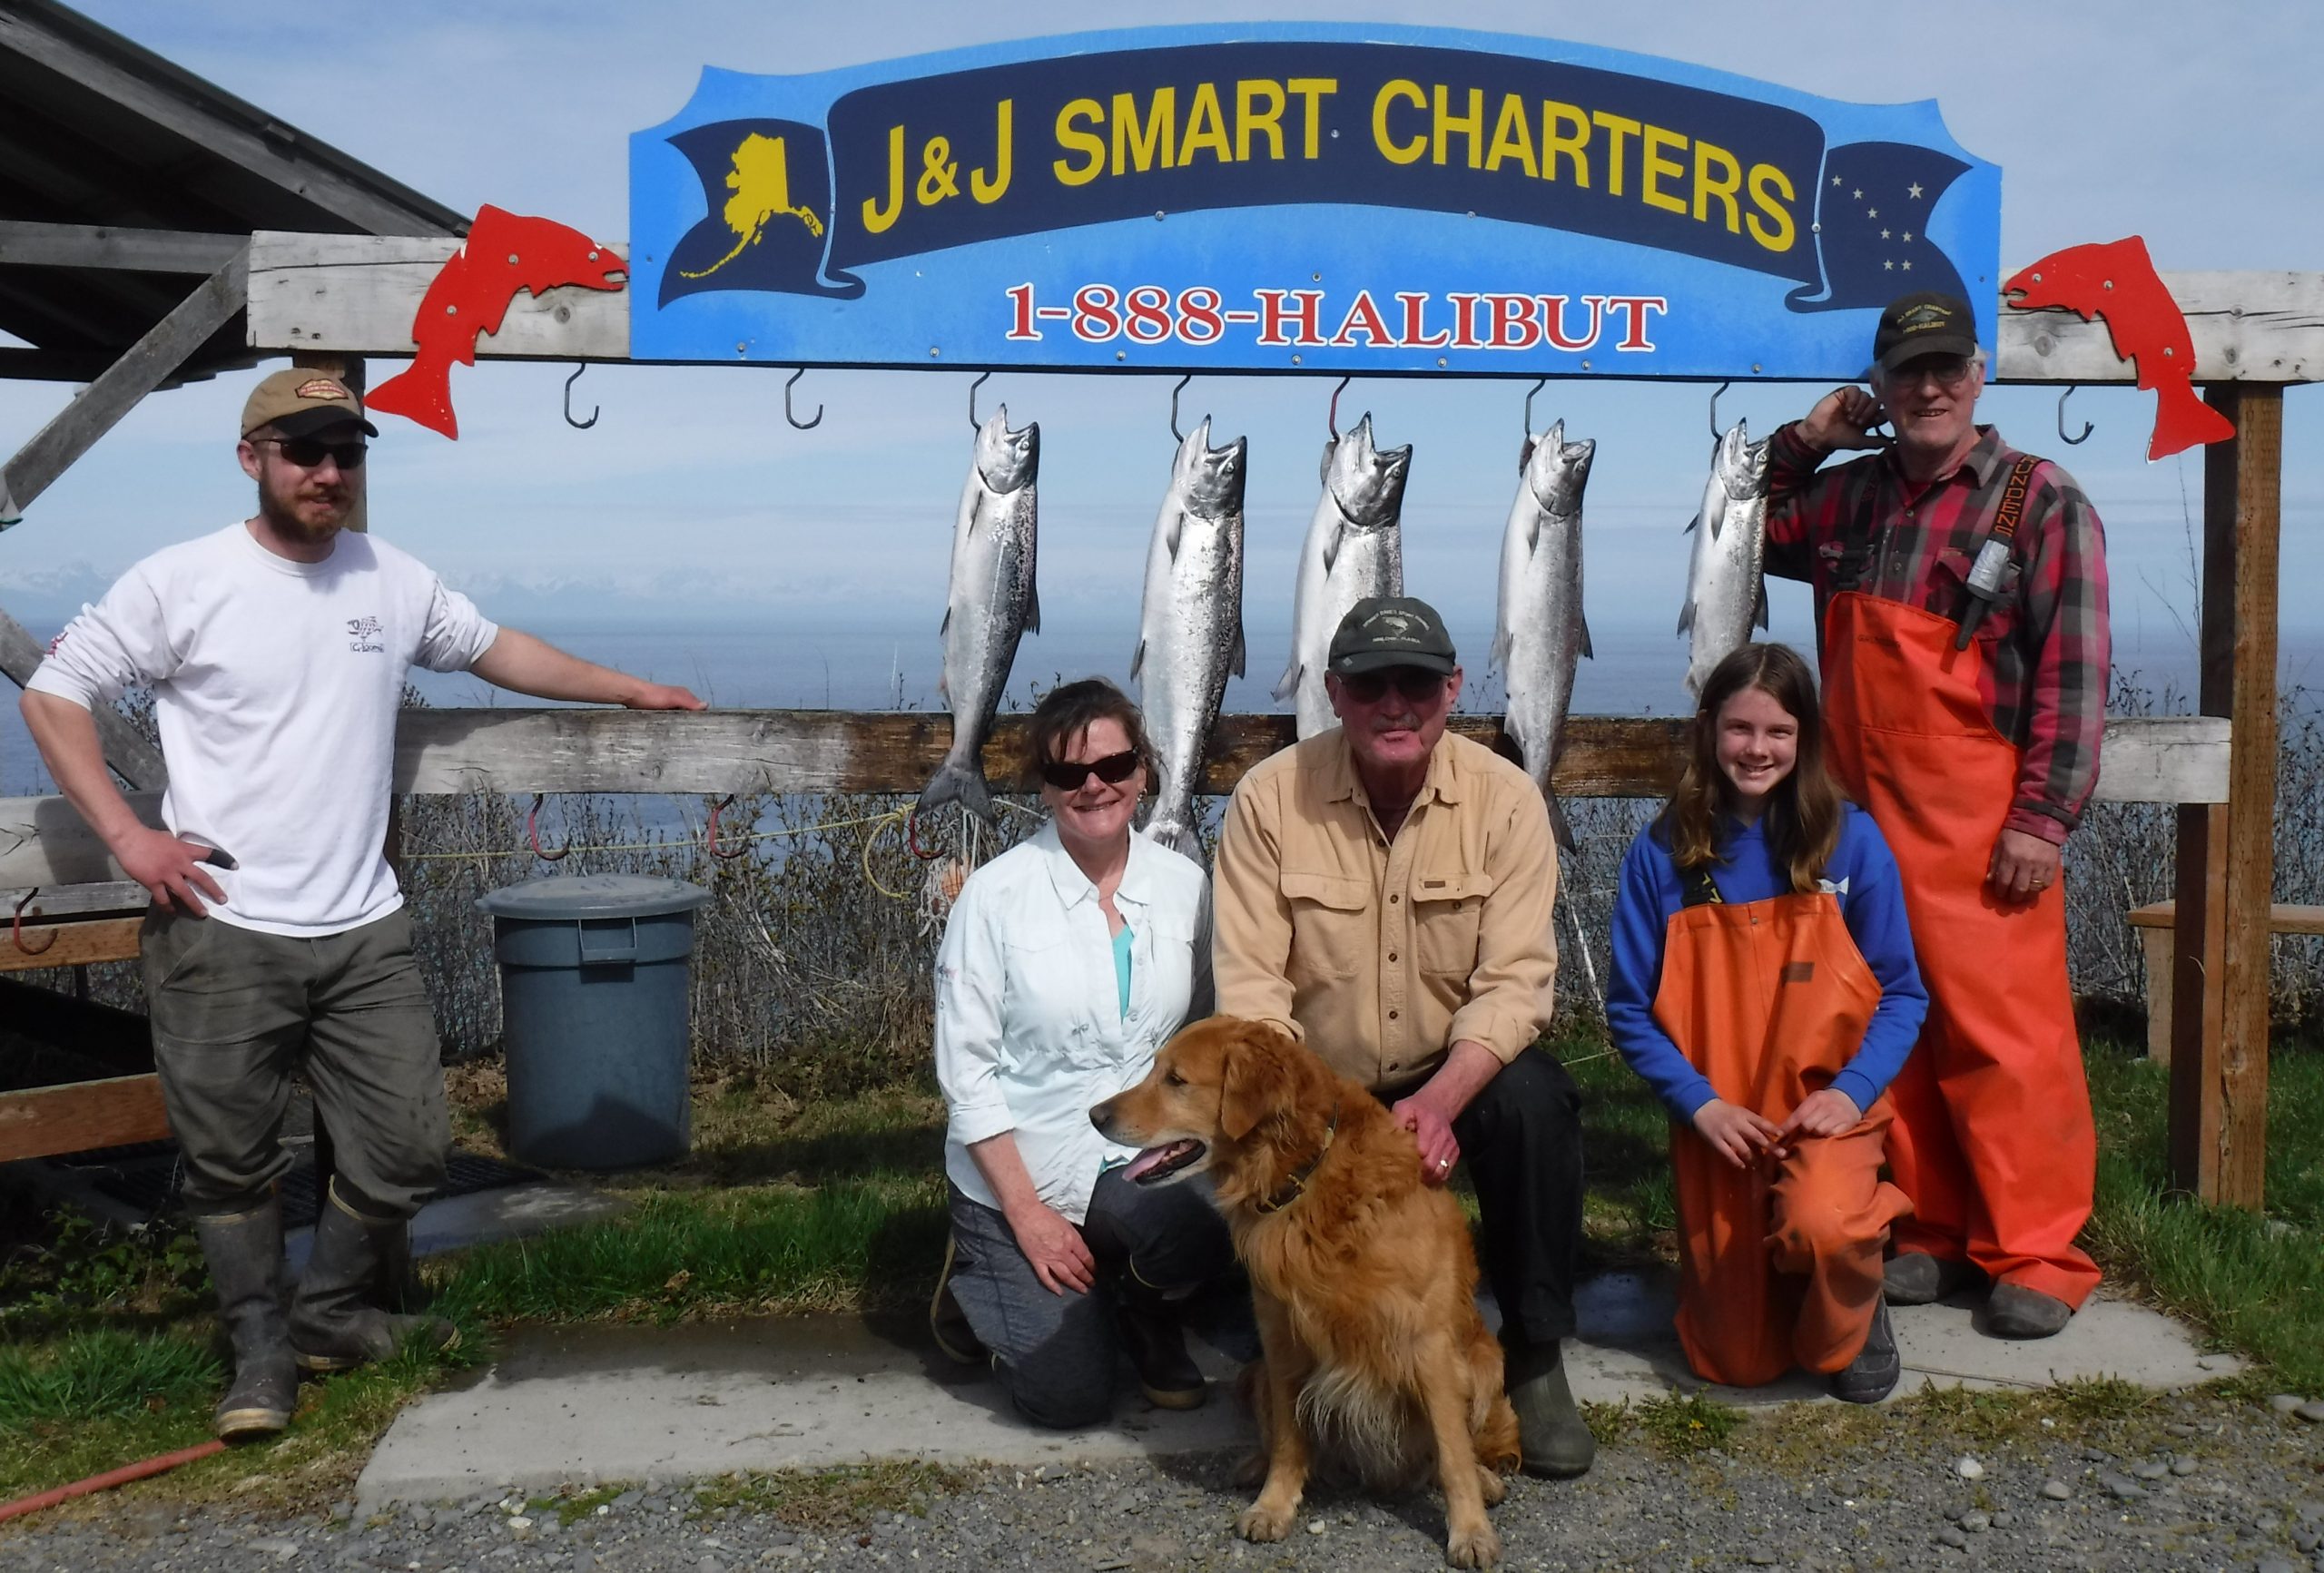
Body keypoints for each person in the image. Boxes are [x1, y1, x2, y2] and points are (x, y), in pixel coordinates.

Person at [20, 369, 705, 1441]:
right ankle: (258, 1346)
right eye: (304, 450)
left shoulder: (389, 577)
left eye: (347, 451)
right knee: (229, 1158)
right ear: (253, 459)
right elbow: (54, 690)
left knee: (409, 1143)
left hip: (363, 923)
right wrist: (128, 836)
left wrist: (623, 686)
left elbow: (494, 648)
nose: (329, 471)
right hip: (221, 923)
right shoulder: (182, 579)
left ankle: (331, 1311)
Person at [1765, 290, 2112, 1340]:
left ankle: (2038, 1248)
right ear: (1877, 384)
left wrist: (2042, 819)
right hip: (1864, 820)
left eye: (1945, 367)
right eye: (1906, 370)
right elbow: (1751, 529)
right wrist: (1801, 441)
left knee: (2007, 1038)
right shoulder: (1845, 499)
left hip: (1982, 823)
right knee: (1893, 1026)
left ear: (1979, 376)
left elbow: (2075, 674)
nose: (1926, 387)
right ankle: (1931, 1229)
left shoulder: (2040, 501)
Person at [1210, 595, 1592, 1477]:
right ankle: (1294, 1353)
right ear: (1334, 692)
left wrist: (1441, 1097)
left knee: (1537, 1102)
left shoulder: (1505, 800)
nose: (1394, 702)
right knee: (1248, 1127)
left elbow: (1514, 984)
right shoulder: (1270, 799)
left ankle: (1533, 1353)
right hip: (1319, 1081)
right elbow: (1254, 989)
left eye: (1415, 682)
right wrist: (1322, 1115)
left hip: (1451, 1065)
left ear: (1452, 688)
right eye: (1370, 683)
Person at [1606, 643, 1928, 1401]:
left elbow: (1903, 993)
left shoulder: (1853, 840)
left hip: (1829, 1113)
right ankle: (1790, 1275)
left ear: (1805, 738)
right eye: (1740, 729)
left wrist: (1851, 1092)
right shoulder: (1661, 854)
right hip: (1724, 1121)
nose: (1758, 749)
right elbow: (1628, 1011)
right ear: (1708, 730)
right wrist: (1700, 1104)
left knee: (1824, 1224)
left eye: (1779, 732)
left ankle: (1855, 1289)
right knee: (1734, 1361)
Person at [930, 677, 1246, 1428]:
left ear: (1143, 771)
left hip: (1133, 1156)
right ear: (1044, 786)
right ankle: (976, 1265)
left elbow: (1202, 1032)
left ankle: (1136, 1302)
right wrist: (1030, 1214)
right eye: (1070, 774)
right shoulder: (994, 898)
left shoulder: (1186, 886)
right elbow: (967, 1077)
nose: (1094, 786)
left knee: (1218, 1234)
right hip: (1021, 1176)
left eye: (1114, 766)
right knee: (1064, 1398)